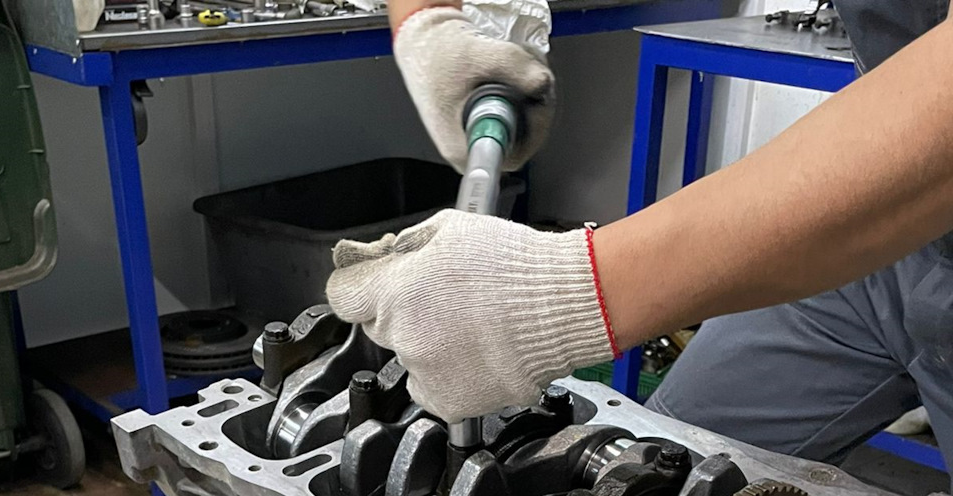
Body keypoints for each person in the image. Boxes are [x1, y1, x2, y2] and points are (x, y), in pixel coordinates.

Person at [327, 0, 953, 470]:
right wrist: (430, 26)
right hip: (878, 244)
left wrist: (560, 294)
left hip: (912, 185)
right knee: (663, 479)